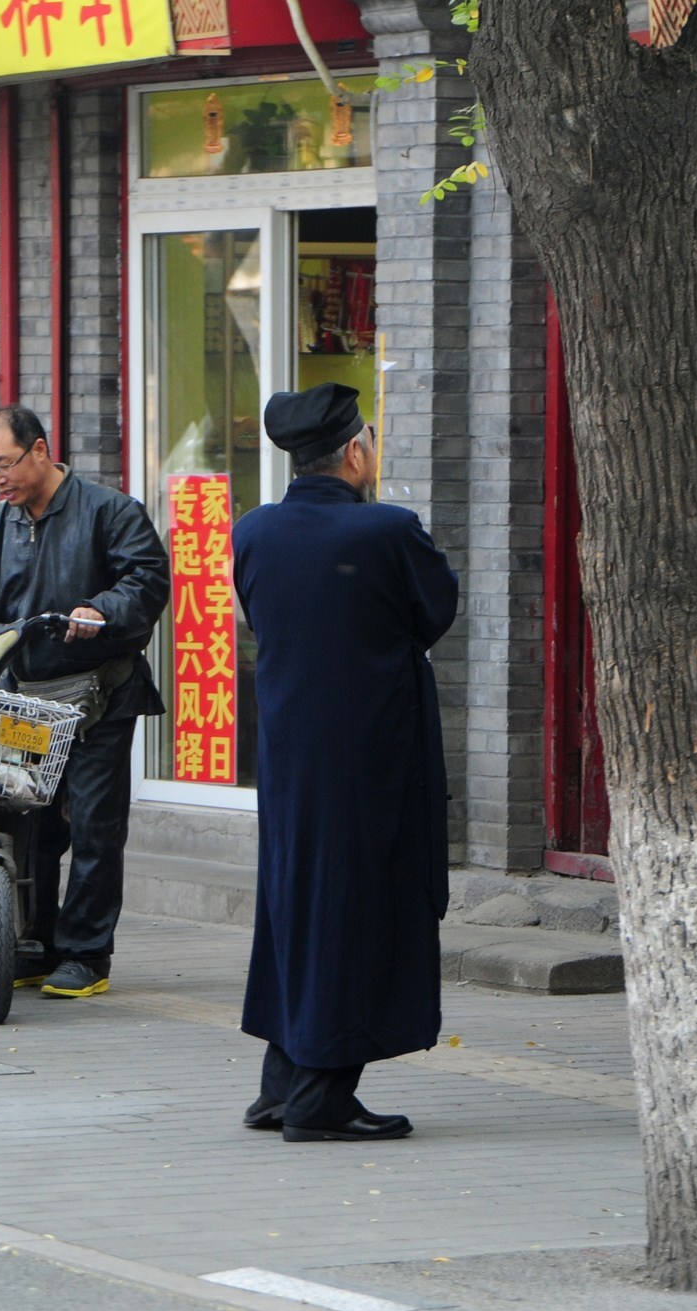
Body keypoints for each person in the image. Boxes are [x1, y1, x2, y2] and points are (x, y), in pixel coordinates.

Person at [234, 383, 458, 1142]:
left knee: (296, 899)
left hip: (291, 752)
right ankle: (321, 1094)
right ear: (355, 451)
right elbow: (436, 611)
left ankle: (282, 1080)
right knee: (357, 908)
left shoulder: (254, 531)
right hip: (372, 750)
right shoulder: (386, 531)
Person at [0, 405, 169, 999]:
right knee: (28, 824)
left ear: (40, 451)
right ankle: (34, 943)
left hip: (100, 693)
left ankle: (86, 954)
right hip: (27, 701)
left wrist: (103, 609)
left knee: (94, 825)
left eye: (6, 465)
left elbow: (146, 580)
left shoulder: (109, 510)